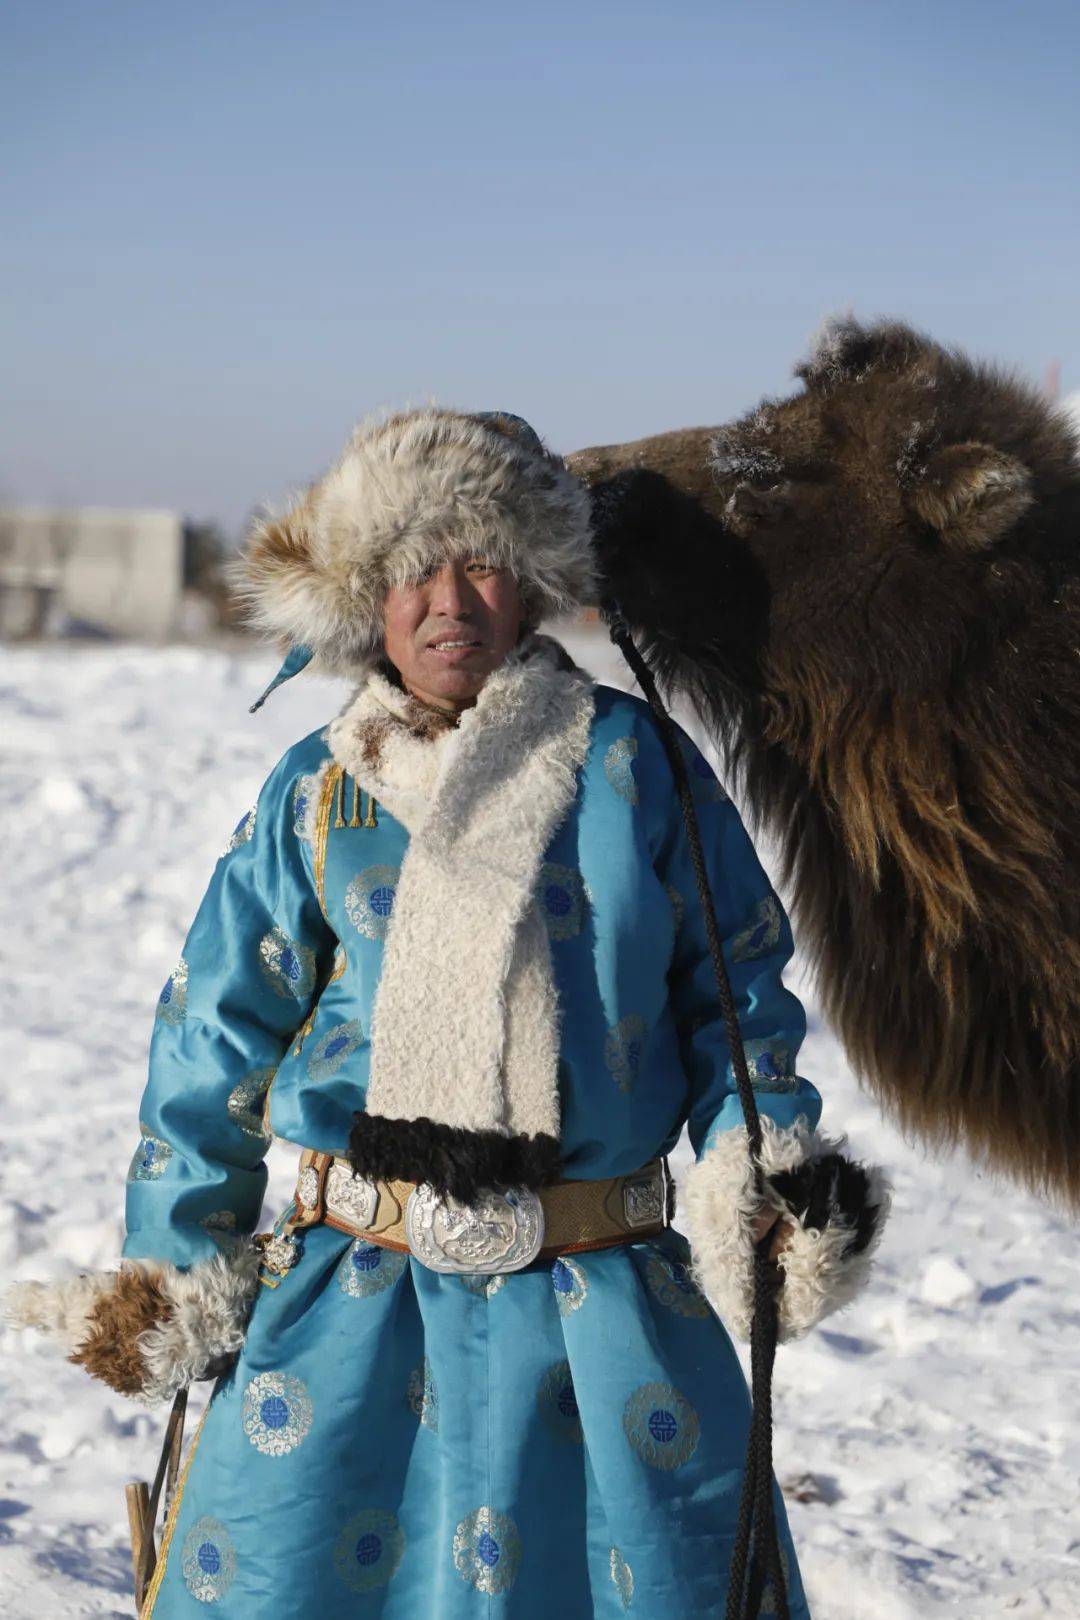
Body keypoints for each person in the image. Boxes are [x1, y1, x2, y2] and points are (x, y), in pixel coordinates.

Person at [10, 408, 888, 1617]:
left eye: (481, 562)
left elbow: (733, 997)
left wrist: (765, 1170)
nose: (449, 601)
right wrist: (181, 1255)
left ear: (531, 582)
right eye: (413, 568)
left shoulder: (637, 769)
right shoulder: (319, 792)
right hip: (350, 1311)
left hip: (602, 1309)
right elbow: (215, 1029)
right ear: (367, 596)